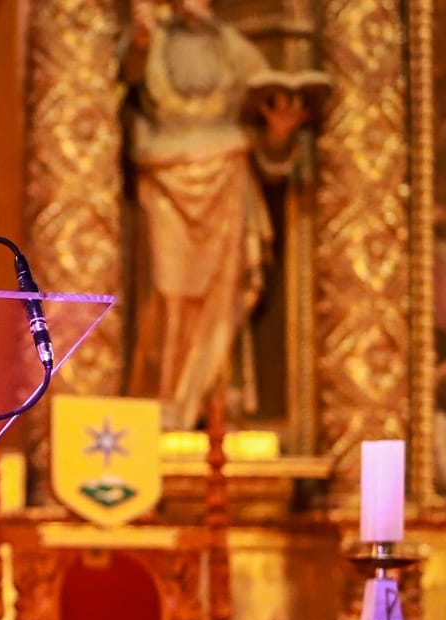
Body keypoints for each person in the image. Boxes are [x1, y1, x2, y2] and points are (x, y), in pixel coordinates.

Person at [121, 0, 310, 431]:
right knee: (166, 292)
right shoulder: (150, 41)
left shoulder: (235, 50)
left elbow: (267, 129)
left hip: (226, 178)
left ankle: (210, 403)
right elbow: (122, 80)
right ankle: (158, 404)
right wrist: (140, 42)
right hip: (164, 178)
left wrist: (278, 136)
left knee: (221, 297)